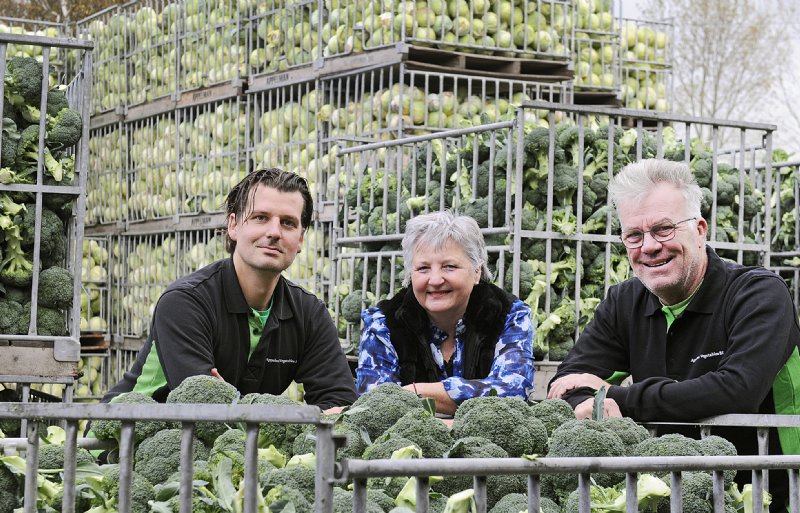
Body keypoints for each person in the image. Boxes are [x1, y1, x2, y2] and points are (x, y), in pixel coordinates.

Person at [547, 159, 800, 509]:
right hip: (667, 496)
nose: (649, 246)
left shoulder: (758, 293)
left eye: (663, 229)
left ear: (699, 230)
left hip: (770, 496)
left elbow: (738, 390)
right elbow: (565, 385)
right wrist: (588, 399)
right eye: (634, 235)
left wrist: (615, 398)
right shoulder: (624, 302)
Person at [103, 168, 357, 411]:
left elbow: (340, 401)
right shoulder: (185, 302)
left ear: (301, 239)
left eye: (288, 223)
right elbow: (204, 408)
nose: (274, 232)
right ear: (233, 226)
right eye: (261, 218)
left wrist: (233, 404)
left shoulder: (309, 313)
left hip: (226, 448)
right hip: (127, 435)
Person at [355, 211, 535, 415]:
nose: (435, 280)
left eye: (449, 267)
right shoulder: (382, 323)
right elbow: (374, 405)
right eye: (423, 268)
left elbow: (513, 393)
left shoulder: (510, 316)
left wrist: (415, 392)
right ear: (410, 274)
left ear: (477, 271)